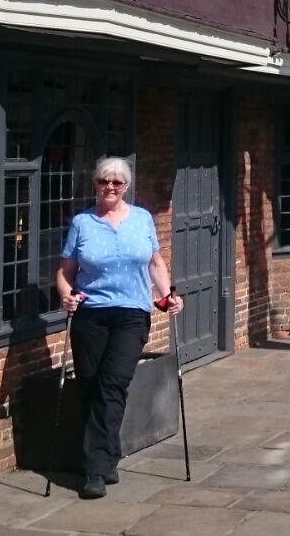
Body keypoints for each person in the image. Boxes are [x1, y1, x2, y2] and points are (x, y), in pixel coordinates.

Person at [55, 157, 183, 500]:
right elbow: (66, 271)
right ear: (95, 184)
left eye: (117, 182)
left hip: (131, 314)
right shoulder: (82, 223)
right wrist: (66, 295)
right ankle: (109, 455)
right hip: (90, 315)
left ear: (126, 186)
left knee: (112, 383)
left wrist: (167, 296)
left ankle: (93, 470)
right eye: (103, 181)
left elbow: (155, 263)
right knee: (91, 387)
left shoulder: (142, 219)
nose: (109, 187)